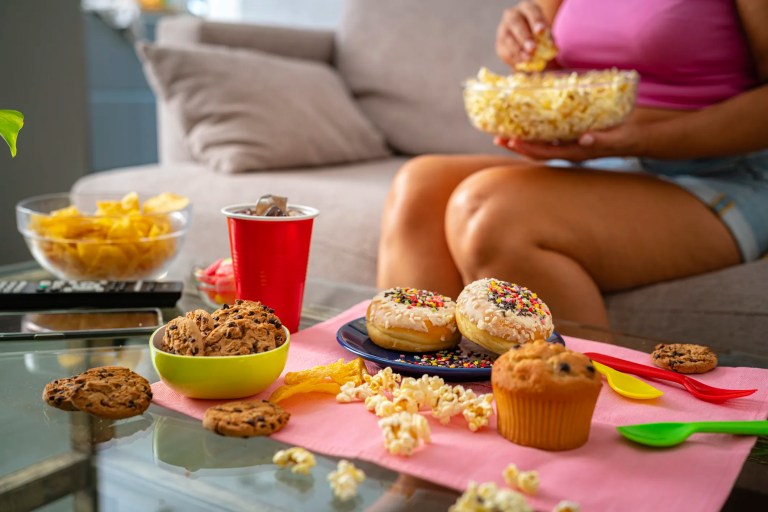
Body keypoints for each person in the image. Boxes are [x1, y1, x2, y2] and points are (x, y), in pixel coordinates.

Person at [376, 0, 768, 329]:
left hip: (722, 173)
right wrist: (521, 42)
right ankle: (418, 392)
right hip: (599, 165)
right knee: (420, 187)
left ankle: (583, 395)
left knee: (492, 214)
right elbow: (541, 68)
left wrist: (642, 138)